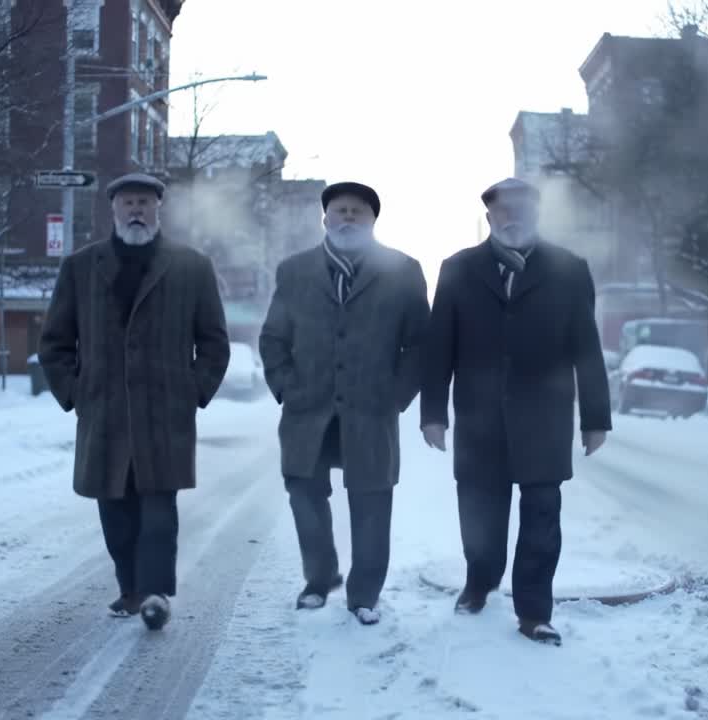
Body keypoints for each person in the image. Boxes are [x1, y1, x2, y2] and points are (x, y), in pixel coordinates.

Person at [420, 177, 611, 647]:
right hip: (478, 420)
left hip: (545, 419)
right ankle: (480, 582)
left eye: (521, 208)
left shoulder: (569, 269)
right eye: (502, 210)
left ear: (537, 213)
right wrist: (433, 413)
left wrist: (595, 419)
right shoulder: (458, 269)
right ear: (489, 217)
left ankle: (535, 611)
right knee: (479, 512)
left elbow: (587, 348)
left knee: (542, 516)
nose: (512, 216)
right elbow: (439, 346)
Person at [38, 173, 230, 631]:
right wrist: (75, 393)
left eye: (145, 202)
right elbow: (55, 342)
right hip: (104, 413)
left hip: (165, 415)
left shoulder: (191, 266)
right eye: (128, 203)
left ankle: (155, 593)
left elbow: (214, 342)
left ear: (158, 209)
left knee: (159, 510)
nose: (136, 210)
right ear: (114, 210)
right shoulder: (80, 267)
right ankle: (131, 588)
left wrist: (193, 390)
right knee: (116, 512)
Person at [259, 181, 429, 626]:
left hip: (372, 410)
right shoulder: (294, 271)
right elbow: (274, 337)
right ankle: (319, 579)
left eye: (358, 211)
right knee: (304, 491)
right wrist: (286, 387)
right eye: (340, 210)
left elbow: (419, 345)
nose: (348, 217)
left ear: (373, 221)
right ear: (326, 219)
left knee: (372, 499)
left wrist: (396, 396)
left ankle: (364, 594)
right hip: (307, 410)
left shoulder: (403, 270)